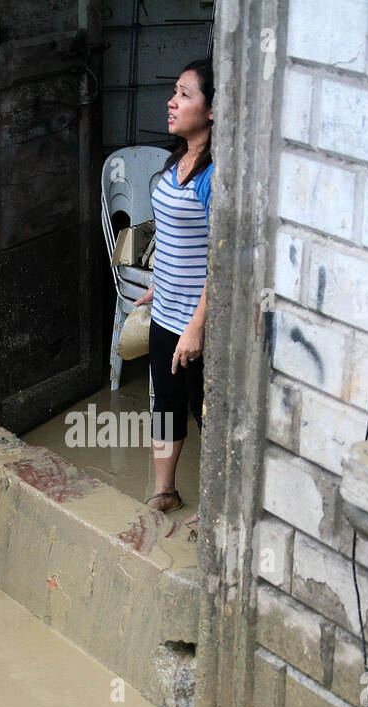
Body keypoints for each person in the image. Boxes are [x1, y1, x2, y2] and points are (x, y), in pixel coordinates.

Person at [136, 57, 213, 522]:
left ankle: (221, 508)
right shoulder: (176, 161)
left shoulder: (214, 175)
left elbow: (219, 259)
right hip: (166, 311)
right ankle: (165, 491)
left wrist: (197, 327)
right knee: (165, 405)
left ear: (212, 111)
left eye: (186, 94)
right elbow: (170, 237)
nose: (173, 101)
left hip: (198, 322)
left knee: (207, 413)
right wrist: (155, 285)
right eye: (175, 91)